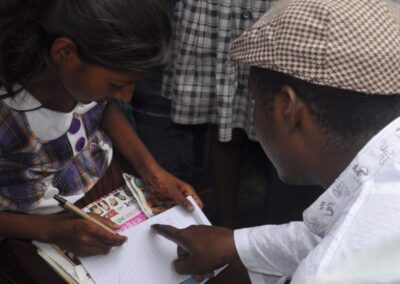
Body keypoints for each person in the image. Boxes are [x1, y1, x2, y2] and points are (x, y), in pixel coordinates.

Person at [153, 0, 400, 283]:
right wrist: (237, 244)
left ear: (287, 109)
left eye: (254, 100)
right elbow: (333, 232)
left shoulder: (326, 274)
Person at [0, 0, 202, 282]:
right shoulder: (8, 113)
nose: (126, 96)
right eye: (117, 85)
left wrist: (152, 171)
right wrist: (50, 231)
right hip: (29, 224)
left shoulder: (83, 80)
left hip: (104, 181)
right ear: (65, 52)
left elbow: (104, 109)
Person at [162, 0, 272, 227]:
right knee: (222, 116)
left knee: (280, 112)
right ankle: (225, 225)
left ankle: (277, 229)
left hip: (277, 9)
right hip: (220, 9)